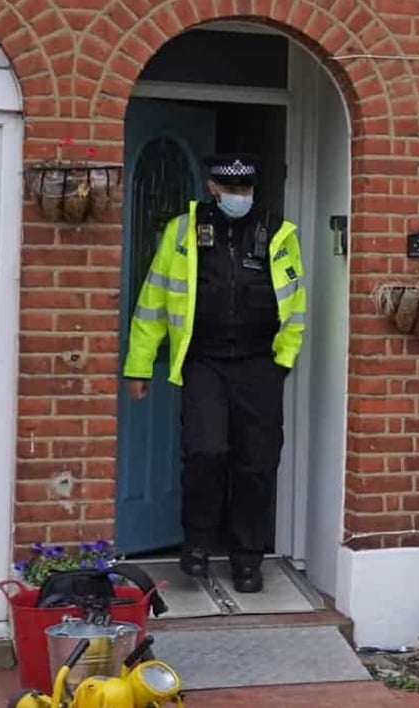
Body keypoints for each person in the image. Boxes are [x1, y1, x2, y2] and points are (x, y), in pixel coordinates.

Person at [122, 153, 307, 593]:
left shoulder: (278, 233)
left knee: (257, 462)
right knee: (206, 452)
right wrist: (139, 365)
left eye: (245, 191)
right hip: (203, 361)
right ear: (212, 187)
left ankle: (247, 558)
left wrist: (282, 361)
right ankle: (198, 544)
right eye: (231, 190)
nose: (238, 198)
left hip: (259, 364)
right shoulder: (182, 233)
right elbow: (152, 302)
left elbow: (295, 303)